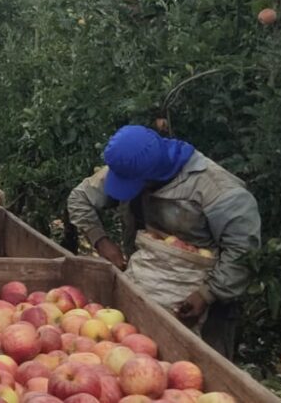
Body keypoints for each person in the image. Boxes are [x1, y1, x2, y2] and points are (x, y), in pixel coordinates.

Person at [67, 125, 261, 359]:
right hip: (142, 283)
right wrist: (101, 241)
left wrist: (208, 293)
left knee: (200, 364)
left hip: (202, 300)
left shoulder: (217, 191)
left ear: (153, 175)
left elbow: (243, 250)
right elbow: (80, 198)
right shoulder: (131, 166)